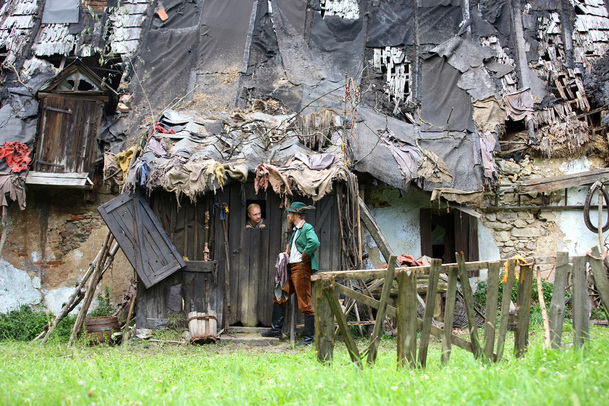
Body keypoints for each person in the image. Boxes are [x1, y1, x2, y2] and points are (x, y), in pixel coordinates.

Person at [261, 201, 319, 346]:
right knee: (279, 295)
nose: (288, 215)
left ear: (296, 214)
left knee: (305, 302)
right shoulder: (296, 230)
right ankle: (276, 329)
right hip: (291, 268)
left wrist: (304, 256)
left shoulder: (306, 227)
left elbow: (314, 242)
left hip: (301, 268)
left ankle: (309, 338)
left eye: (290, 213)